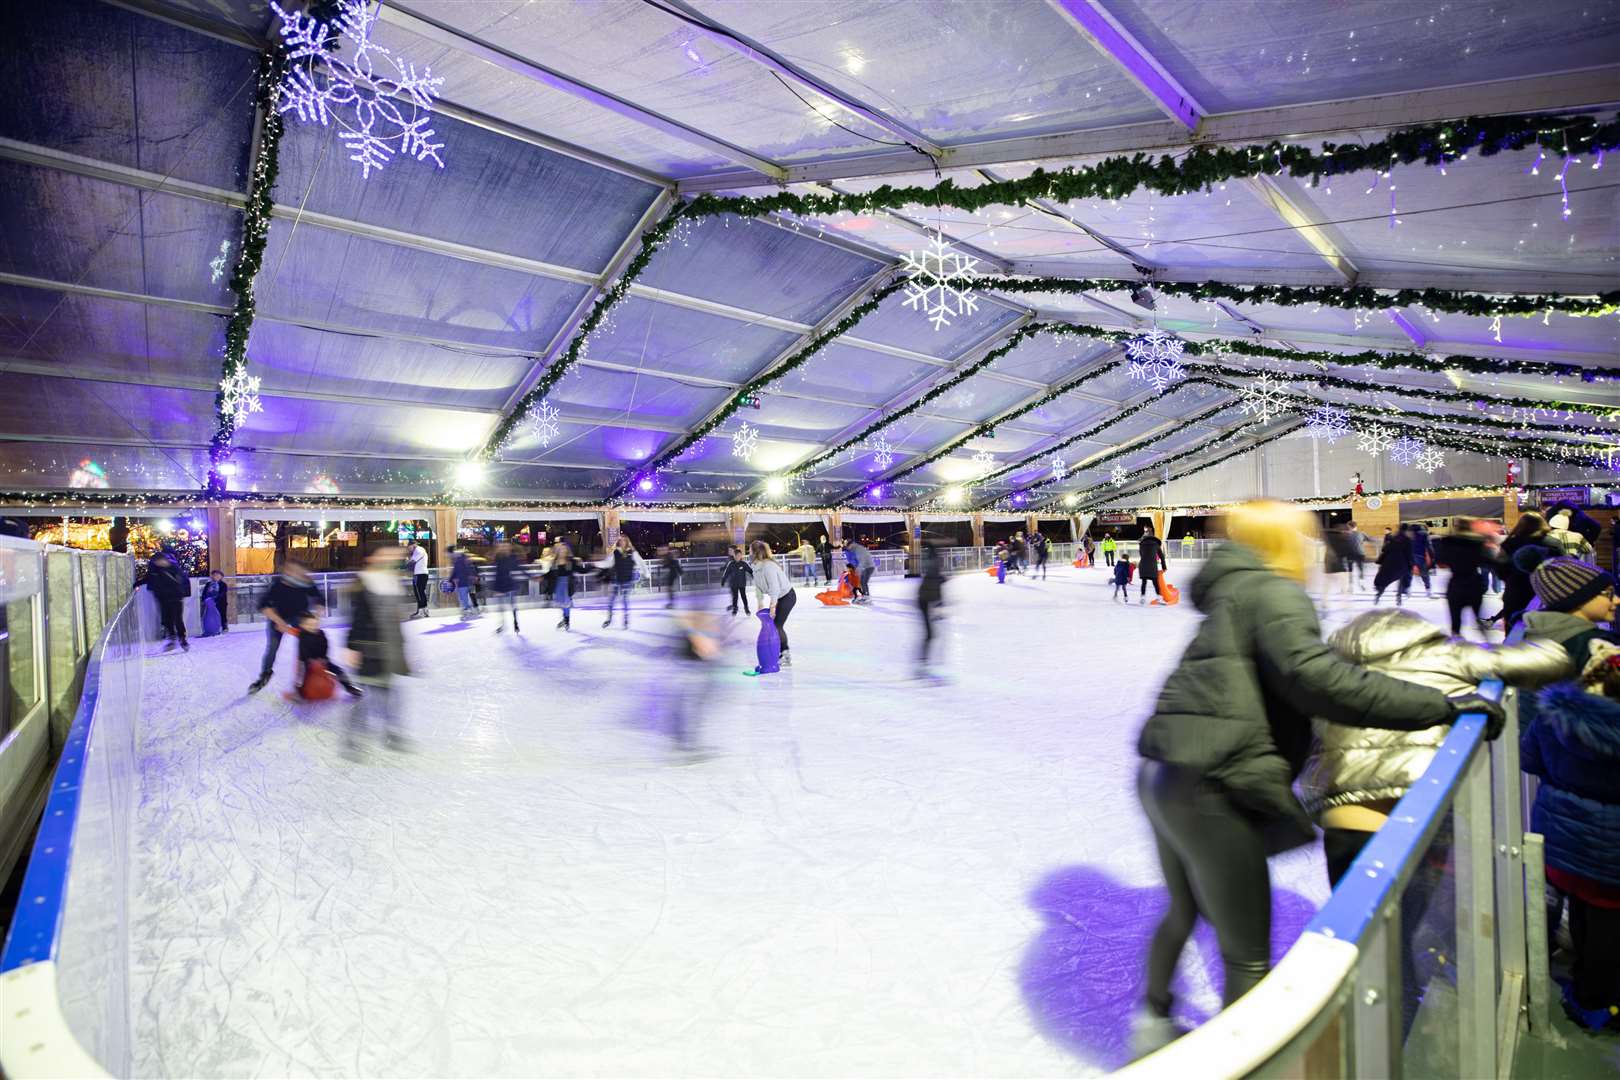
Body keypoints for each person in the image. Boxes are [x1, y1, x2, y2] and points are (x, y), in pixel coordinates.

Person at [1130, 500, 1503, 1058]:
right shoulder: (1273, 592)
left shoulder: (1232, 591)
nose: (1313, 545)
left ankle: (1152, 1019)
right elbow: (1318, 681)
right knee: (1248, 956)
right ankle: (1248, 1063)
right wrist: (1438, 706)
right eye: (1303, 535)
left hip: (1165, 772)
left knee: (1185, 907)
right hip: (1211, 783)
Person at [1298, 608, 1566, 885]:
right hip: (1421, 808)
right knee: (1422, 921)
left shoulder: (1333, 668)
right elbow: (1550, 659)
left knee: (1357, 919)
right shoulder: (1448, 654)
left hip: (1347, 818)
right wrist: (1534, 621)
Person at [1520, 644, 1620, 1032]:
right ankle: (1599, 1001)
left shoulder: (1554, 718)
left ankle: (1586, 990)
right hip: (1612, 860)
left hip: (1564, 849)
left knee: (1583, 913)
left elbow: (1529, 760)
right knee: (1608, 929)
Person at [343, 547, 413, 752]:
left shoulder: (393, 582)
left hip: (389, 647)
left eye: (393, 554)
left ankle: (392, 732)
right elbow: (356, 619)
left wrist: (403, 648)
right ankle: (353, 737)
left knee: (391, 693)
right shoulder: (362, 583)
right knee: (366, 695)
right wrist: (351, 647)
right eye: (384, 554)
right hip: (368, 647)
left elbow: (396, 619)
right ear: (372, 558)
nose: (390, 558)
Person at [1521, 554, 1618, 670]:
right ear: (1579, 598)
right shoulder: (1597, 647)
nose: (1618, 600)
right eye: (1609, 593)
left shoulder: (1532, 632)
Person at [250, 561, 322, 693]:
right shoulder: (276, 585)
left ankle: (309, 673)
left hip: (300, 617)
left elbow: (320, 600)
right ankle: (265, 674)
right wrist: (279, 622)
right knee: (272, 647)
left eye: (296, 570)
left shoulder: (305, 583)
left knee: (308, 644)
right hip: (278, 616)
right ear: (285, 571)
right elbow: (263, 605)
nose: (293, 573)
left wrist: (315, 619)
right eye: (290, 570)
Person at [1432, 518, 1498, 638]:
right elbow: (1489, 561)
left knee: (1455, 623)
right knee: (1478, 617)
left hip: (1456, 584)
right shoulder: (1478, 542)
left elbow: (1441, 563)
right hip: (1474, 583)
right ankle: (1489, 646)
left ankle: (1456, 647)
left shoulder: (1448, 542)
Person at [1500, 513, 1562, 633]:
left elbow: (1501, 569)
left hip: (1515, 590)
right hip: (1546, 591)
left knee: (1514, 628)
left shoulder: (1509, 544)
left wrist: (1508, 578)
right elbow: (1562, 565)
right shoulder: (1552, 543)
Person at [750, 541, 796, 670]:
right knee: (773, 626)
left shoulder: (768, 566)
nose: (749, 553)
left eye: (750, 550)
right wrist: (760, 602)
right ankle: (777, 653)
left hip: (787, 596)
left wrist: (773, 606)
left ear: (755, 552)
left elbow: (774, 587)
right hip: (778, 597)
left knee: (776, 626)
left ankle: (785, 655)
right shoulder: (755, 566)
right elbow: (758, 587)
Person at [294, 611, 360, 698]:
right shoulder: (302, 636)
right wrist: (310, 660)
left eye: (315, 624)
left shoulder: (321, 633)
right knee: (304, 676)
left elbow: (325, 645)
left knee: (338, 670)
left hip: (322, 659)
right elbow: (302, 651)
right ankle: (300, 692)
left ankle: (349, 687)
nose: (313, 627)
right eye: (309, 625)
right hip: (308, 661)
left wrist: (323, 658)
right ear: (303, 626)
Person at [146, 551, 191, 652]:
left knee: (177, 619)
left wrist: (182, 594)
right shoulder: (155, 569)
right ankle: (172, 638)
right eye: (155, 562)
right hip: (162, 598)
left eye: (158, 561)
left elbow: (183, 582)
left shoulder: (175, 569)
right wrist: (138, 583)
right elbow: (149, 580)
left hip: (176, 598)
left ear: (164, 560)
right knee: (167, 619)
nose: (157, 563)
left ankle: (182, 639)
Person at [916, 539, 945, 677]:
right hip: (923, 602)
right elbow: (937, 591)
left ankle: (923, 662)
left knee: (930, 635)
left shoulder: (933, 572)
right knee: (930, 635)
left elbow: (937, 591)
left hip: (924, 601)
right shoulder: (934, 573)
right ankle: (922, 663)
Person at [602, 535, 640, 628]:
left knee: (625, 600)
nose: (622, 542)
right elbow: (607, 563)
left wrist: (644, 573)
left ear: (627, 542)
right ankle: (609, 618)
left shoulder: (632, 553)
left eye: (624, 540)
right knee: (611, 600)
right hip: (616, 579)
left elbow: (640, 563)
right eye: (620, 540)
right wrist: (597, 564)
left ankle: (626, 620)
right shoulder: (615, 552)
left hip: (627, 580)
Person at [1372, 524, 1414, 606]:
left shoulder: (1393, 538)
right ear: (1406, 531)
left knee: (1385, 579)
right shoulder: (1407, 540)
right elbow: (1409, 554)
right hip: (1401, 563)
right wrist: (1411, 564)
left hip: (1389, 562)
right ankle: (1399, 599)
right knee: (1401, 580)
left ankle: (1378, 595)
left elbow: (1384, 549)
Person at [491, 542, 525, 634]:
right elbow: (496, 569)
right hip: (500, 584)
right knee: (500, 607)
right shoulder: (499, 557)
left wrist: (531, 576)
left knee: (513, 605)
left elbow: (519, 568)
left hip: (509, 584)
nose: (504, 548)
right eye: (502, 546)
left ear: (510, 548)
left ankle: (515, 622)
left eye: (506, 546)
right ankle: (503, 624)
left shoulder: (512, 558)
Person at [546, 543, 580, 631]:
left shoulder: (570, 561)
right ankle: (565, 618)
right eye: (561, 550)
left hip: (567, 584)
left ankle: (567, 620)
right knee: (561, 603)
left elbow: (579, 569)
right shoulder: (555, 562)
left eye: (564, 550)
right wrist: (541, 577)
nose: (563, 551)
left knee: (566, 603)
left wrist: (591, 568)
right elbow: (550, 574)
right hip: (558, 584)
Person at [1138, 528, 1167, 605]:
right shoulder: (1156, 545)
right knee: (1155, 583)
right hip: (1152, 565)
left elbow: (1141, 555)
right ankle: (1159, 598)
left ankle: (1142, 598)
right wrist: (1164, 567)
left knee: (1144, 582)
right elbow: (1162, 556)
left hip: (1143, 565)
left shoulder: (1142, 545)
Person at [449, 547, 479, 620]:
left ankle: (467, 613)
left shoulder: (459, 561)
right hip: (467, 583)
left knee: (464, 599)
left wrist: (451, 580)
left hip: (462, 583)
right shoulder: (466, 560)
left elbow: (456, 571)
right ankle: (471, 611)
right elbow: (457, 571)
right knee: (465, 598)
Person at [721, 545, 753, 615]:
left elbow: (750, 571)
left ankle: (746, 608)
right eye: (737, 555)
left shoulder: (744, 564)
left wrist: (754, 576)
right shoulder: (731, 564)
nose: (739, 557)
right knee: (735, 597)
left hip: (742, 584)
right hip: (734, 584)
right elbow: (726, 573)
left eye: (740, 555)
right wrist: (723, 580)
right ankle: (735, 608)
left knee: (743, 596)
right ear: (734, 556)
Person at [845, 538, 875, 604]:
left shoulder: (858, 550)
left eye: (848, 546)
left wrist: (857, 569)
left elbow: (862, 561)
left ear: (851, 545)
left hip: (869, 566)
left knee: (863, 582)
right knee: (862, 582)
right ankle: (865, 596)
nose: (848, 548)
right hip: (866, 567)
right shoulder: (856, 548)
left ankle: (867, 597)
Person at [200, 569, 228, 637]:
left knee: (222, 615)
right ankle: (209, 629)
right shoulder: (208, 584)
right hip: (209, 604)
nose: (216, 576)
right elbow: (204, 593)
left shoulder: (223, 585)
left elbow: (222, 593)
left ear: (221, 576)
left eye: (218, 575)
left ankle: (223, 627)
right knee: (208, 616)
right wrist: (205, 599)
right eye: (214, 575)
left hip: (220, 603)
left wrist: (215, 600)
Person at [406, 540, 430, 619]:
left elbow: (411, 563)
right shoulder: (419, 550)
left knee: (418, 593)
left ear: (412, 545)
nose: (408, 549)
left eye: (409, 547)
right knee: (421, 592)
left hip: (419, 574)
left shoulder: (418, 550)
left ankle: (421, 611)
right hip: (422, 574)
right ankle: (425, 610)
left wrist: (407, 562)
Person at [1409, 524, 1434, 597]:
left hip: (1410, 556)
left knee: (1408, 574)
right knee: (1425, 574)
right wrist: (1432, 556)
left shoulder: (1409, 535)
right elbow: (1429, 546)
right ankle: (1428, 590)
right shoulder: (1424, 534)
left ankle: (1407, 590)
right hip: (1421, 556)